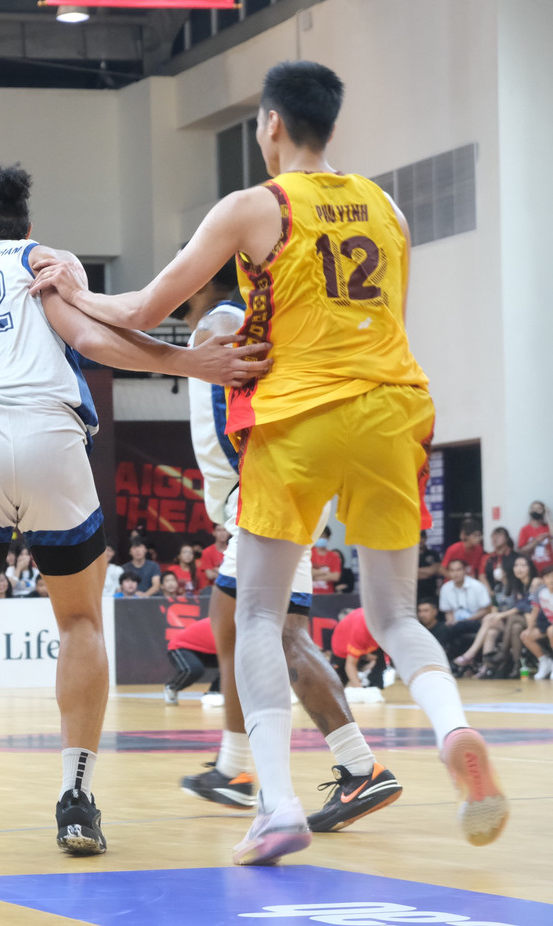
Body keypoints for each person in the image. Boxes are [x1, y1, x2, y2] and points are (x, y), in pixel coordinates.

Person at [31, 61, 505, 861]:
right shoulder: (388, 208)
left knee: (255, 616)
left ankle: (278, 804)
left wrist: (69, 289)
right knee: (395, 614)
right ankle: (454, 728)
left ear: (272, 124)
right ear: (331, 124)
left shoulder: (256, 206)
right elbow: (390, 322)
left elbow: (142, 310)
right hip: (394, 407)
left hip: (300, 416)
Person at [0, 158, 268, 859]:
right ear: (26, 227)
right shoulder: (43, 261)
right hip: (51, 441)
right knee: (78, 621)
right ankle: (76, 803)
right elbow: (96, 342)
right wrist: (187, 363)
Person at [174, 269, 399, 831]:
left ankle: (351, 767)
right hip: (279, 487)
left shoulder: (221, 323)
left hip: (266, 491)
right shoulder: (239, 321)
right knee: (243, 626)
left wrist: (248, 491)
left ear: (202, 279)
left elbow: (230, 417)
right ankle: (238, 768)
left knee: (269, 632)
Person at [164, 617, 222, 709]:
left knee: (235, 665)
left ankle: (214, 693)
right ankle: (172, 687)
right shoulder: (228, 623)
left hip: (209, 651)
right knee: (193, 670)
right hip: (182, 647)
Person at [327, 608, 385, 689]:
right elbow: (350, 664)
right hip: (342, 648)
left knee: (378, 674)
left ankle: (373, 687)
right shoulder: (360, 632)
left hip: (368, 638)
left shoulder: (387, 624)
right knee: (336, 684)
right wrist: (359, 690)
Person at [311, 527, 342, 594]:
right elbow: (308, 572)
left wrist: (315, 577)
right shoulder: (309, 554)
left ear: (328, 538)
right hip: (310, 594)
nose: (321, 538)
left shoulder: (334, 556)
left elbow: (335, 577)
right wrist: (326, 572)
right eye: (319, 536)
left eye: (323, 537)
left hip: (328, 595)